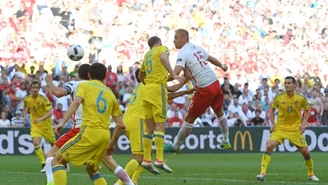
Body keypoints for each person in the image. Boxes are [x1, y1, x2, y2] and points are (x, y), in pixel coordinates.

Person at [45, 64, 134, 185]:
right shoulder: (110, 93)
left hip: (89, 132)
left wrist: (63, 122)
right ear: (105, 75)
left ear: (89, 75)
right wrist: (112, 145)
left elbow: (76, 102)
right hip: (105, 135)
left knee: (57, 161)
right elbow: (120, 125)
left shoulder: (84, 85)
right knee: (91, 169)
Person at [114, 68, 195, 185]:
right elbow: (170, 89)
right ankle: (119, 183)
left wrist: (185, 90)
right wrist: (183, 82)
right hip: (138, 120)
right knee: (138, 157)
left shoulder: (143, 87)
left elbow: (165, 95)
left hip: (129, 120)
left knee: (145, 155)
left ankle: (134, 181)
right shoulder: (149, 85)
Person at [164, 28, 231, 154]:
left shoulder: (183, 53)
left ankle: (176, 146)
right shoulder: (196, 47)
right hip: (215, 83)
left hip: (205, 88)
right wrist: (222, 66)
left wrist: (159, 80)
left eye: (176, 38)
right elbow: (211, 59)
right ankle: (226, 140)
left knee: (189, 118)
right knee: (219, 112)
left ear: (184, 38)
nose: (173, 41)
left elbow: (175, 73)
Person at [256, 76, 319, 182]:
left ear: (295, 85)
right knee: (270, 145)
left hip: (295, 129)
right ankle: (262, 173)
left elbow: (308, 110)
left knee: (306, 152)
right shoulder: (279, 97)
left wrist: (304, 123)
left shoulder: (301, 98)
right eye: (285, 83)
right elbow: (271, 110)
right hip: (280, 128)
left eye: (289, 83)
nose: (287, 85)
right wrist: (273, 124)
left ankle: (311, 174)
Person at [138, 36, 184, 174]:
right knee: (160, 126)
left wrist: (150, 85)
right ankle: (159, 159)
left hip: (147, 91)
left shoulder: (146, 55)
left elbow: (141, 76)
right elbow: (164, 58)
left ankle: (146, 159)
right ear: (159, 43)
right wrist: (173, 75)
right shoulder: (162, 49)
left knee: (149, 128)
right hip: (158, 89)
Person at [23, 80, 55, 173]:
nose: (35, 89)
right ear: (31, 89)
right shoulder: (26, 99)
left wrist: (41, 119)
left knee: (54, 145)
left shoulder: (44, 99)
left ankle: (64, 163)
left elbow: (50, 113)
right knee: (36, 142)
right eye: (33, 88)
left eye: (37, 88)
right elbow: (25, 107)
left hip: (46, 125)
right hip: (35, 125)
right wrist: (25, 116)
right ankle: (44, 164)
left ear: (39, 89)